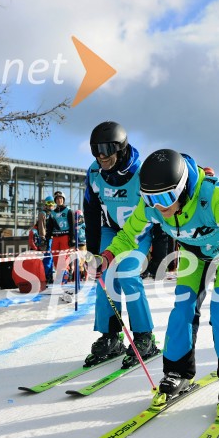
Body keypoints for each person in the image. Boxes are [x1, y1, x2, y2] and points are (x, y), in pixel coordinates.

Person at [98, 149, 219, 411]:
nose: (159, 207)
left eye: (166, 197)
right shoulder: (153, 205)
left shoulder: (212, 197)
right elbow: (129, 235)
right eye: (150, 199)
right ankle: (178, 372)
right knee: (182, 308)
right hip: (193, 254)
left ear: (183, 188)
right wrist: (107, 256)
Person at [83, 121, 158, 367]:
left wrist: (159, 254)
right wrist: (94, 252)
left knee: (127, 274)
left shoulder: (141, 172)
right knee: (105, 277)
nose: (101, 156)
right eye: (96, 150)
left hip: (139, 232)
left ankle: (144, 336)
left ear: (121, 148)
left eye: (106, 149)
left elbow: (159, 212)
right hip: (109, 229)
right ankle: (110, 336)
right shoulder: (94, 173)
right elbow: (91, 212)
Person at [46, 190, 75, 284]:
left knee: (63, 258)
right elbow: (49, 227)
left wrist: (72, 238)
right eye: (57, 199)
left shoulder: (68, 211)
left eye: (61, 198)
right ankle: (59, 277)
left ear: (63, 199)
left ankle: (64, 277)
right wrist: (47, 238)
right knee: (55, 258)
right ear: (55, 200)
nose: (59, 200)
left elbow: (72, 225)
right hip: (55, 237)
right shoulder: (52, 213)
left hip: (65, 236)